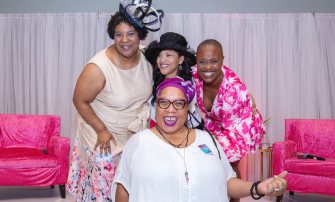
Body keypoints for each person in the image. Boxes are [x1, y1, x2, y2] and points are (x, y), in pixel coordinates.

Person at [111, 77, 287, 202]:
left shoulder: (208, 139)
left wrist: (258, 187)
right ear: (156, 107)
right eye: (164, 102)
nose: (170, 109)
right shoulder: (139, 142)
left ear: (187, 107)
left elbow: (228, 182)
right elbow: (123, 188)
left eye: (178, 103)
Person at [66, 1, 164, 201]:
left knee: (128, 187)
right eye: (119, 34)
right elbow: (79, 100)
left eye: (131, 34)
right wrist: (101, 130)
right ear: (113, 36)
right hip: (103, 135)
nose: (125, 40)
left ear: (140, 35)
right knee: (103, 188)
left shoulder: (148, 56)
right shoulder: (99, 66)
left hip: (134, 135)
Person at [192, 39, 266, 202]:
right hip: (216, 119)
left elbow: (231, 130)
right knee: (207, 157)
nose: (208, 67)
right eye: (202, 62)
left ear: (223, 60)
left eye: (214, 61)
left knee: (229, 165)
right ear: (196, 60)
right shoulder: (194, 75)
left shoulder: (234, 92)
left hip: (239, 123)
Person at [144, 32, 203, 129]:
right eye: (159, 55)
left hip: (188, 131)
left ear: (180, 59)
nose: (162, 60)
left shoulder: (188, 84)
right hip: (160, 131)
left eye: (168, 55)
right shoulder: (153, 80)